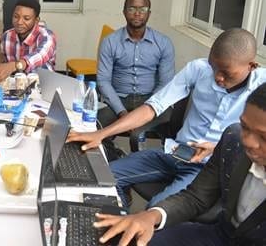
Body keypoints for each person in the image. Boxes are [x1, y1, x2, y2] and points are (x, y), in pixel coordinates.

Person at [68, 28, 266, 207]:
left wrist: (216, 148)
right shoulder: (198, 69)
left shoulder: (262, 87)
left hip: (208, 168)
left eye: (226, 73)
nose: (217, 77)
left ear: (252, 65)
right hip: (176, 152)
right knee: (99, 178)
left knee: (155, 210)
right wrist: (101, 134)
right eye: (214, 67)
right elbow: (153, 107)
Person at [95, 83, 266, 246]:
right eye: (245, 127)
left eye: (264, 137)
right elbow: (196, 197)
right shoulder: (233, 139)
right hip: (220, 236)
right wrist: (152, 216)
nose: (248, 142)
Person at [97, 0, 175, 149]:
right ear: (124, 12)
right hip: (118, 100)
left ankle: (152, 166)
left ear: (149, 13)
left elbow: (165, 82)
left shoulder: (164, 43)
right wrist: (122, 113)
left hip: (151, 99)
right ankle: (113, 156)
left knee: (173, 125)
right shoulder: (110, 42)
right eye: (132, 8)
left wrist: (146, 111)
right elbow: (103, 80)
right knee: (93, 125)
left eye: (143, 9)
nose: (138, 13)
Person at [0, 0, 56, 84]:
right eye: (16, 16)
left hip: (44, 87)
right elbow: (5, 65)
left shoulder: (47, 36)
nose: (19, 22)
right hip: (16, 87)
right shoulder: (6, 36)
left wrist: (15, 65)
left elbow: (40, 55)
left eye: (26, 18)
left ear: (36, 20)